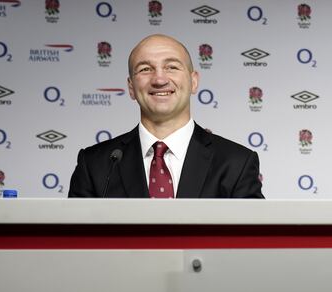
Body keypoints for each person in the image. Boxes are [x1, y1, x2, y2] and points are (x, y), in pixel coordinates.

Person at [69, 34, 263, 198]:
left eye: (171, 67)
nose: (159, 79)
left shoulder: (237, 163)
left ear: (193, 81)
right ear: (131, 88)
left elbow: (253, 240)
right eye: (145, 69)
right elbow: (74, 240)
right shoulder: (95, 164)